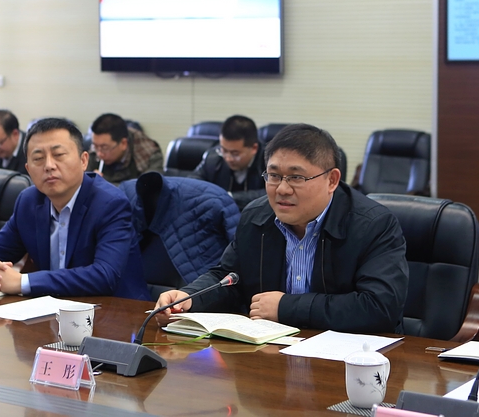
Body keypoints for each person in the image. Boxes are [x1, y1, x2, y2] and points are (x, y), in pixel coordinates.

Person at [153, 123, 409, 333]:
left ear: (331, 180)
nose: (282, 189)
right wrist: (188, 298)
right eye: (274, 176)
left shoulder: (373, 225)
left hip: (350, 360)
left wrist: (286, 307)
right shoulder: (256, 216)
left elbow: (380, 307)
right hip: (272, 353)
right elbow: (229, 277)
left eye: (296, 177)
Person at [0, 118, 149, 299]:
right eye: (38, 158)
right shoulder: (28, 202)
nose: (49, 166)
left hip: (118, 312)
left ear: (84, 161)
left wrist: (22, 282)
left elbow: (105, 276)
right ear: (28, 169)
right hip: (54, 310)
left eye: (59, 155)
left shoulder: (110, 204)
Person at [120, 171, 240, 299]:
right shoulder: (124, 195)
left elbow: (240, 252)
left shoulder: (214, 201)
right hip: (155, 299)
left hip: (195, 298)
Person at [191, 115, 267, 210]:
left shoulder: (269, 162)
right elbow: (192, 184)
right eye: (224, 150)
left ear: (254, 148)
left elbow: (270, 193)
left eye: (235, 154)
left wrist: (227, 197)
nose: (228, 158)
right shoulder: (213, 157)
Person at [89, 113, 163, 184]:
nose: (99, 154)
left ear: (123, 143)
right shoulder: (95, 152)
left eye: (105, 147)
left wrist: (105, 184)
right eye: (95, 146)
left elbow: (149, 188)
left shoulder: (150, 154)